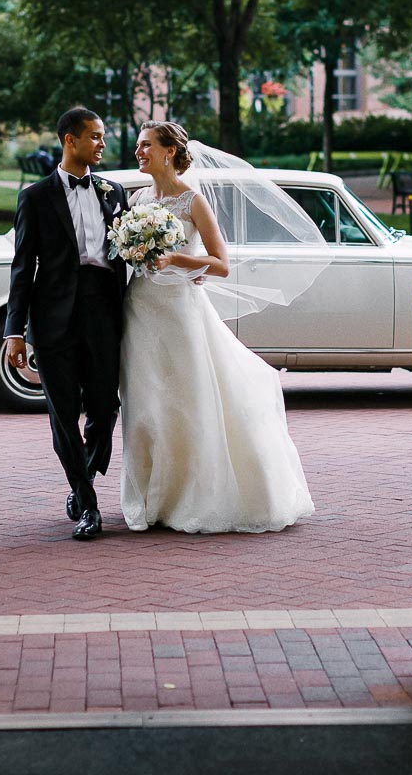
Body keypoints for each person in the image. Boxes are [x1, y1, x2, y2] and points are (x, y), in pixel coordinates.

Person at [118, 121, 315, 534]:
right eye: (138, 146)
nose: (138, 152)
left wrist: (176, 261)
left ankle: (195, 496)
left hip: (179, 312)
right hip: (140, 309)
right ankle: (154, 497)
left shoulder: (192, 202)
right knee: (145, 406)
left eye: (146, 145)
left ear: (169, 151)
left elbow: (221, 263)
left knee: (186, 403)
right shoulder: (136, 198)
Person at [3, 109, 129, 540]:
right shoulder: (35, 198)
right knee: (62, 414)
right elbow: (23, 268)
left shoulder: (115, 192)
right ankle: (88, 506)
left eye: (102, 137)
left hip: (104, 312)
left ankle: (84, 477)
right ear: (69, 140)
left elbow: (127, 257)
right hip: (53, 317)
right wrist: (14, 331)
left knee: (105, 408)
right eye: (94, 137)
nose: (101, 145)